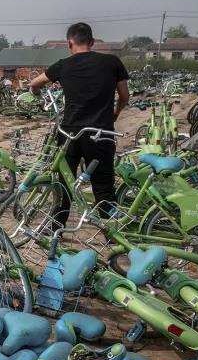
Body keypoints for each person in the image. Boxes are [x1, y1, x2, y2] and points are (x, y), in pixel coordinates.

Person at [29, 21, 129, 221]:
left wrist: (35, 92)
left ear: (70, 43)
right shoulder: (112, 62)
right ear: (92, 42)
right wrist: (115, 113)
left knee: (64, 185)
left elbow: (35, 83)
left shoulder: (63, 65)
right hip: (101, 134)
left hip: (70, 135)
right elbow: (124, 96)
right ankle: (112, 232)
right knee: (104, 188)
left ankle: (56, 230)